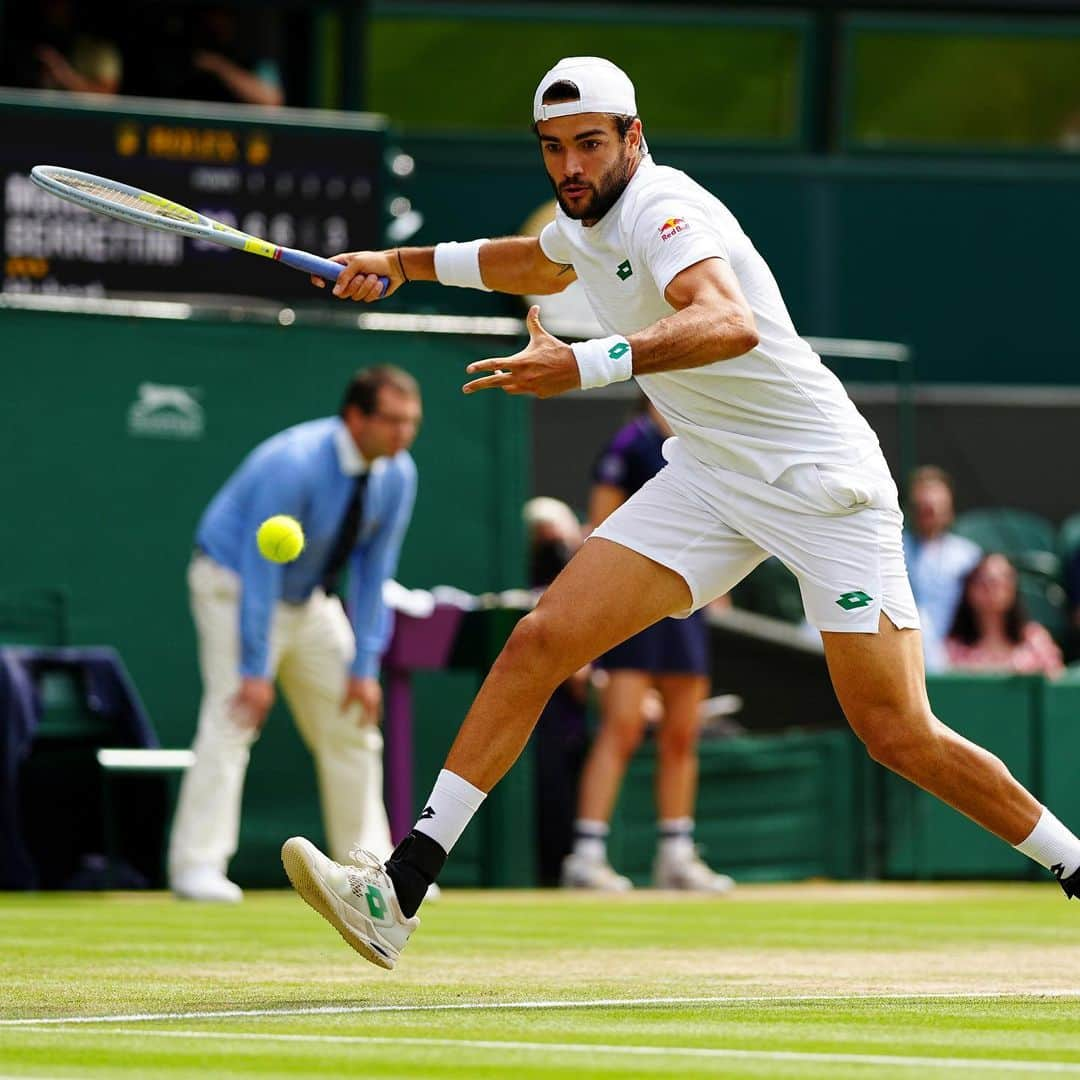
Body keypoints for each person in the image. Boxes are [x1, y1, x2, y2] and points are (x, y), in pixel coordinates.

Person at [280, 56, 1080, 970]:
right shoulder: (582, 221)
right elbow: (527, 261)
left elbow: (726, 321)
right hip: (710, 475)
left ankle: (1076, 864)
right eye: (553, 150)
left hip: (821, 482)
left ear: (633, 137)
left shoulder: (667, 210)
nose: (571, 166)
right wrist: (397, 263)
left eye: (589, 144)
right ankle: (401, 889)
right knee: (541, 640)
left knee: (897, 731)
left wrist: (583, 365)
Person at [169, 366, 421, 901]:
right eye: (392, 421)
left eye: (411, 423)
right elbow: (260, 570)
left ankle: (370, 874)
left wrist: (364, 667)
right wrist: (255, 670)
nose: (403, 435)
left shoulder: (399, 474)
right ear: (356, 417)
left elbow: (376, 571)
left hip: (307, 599)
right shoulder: (295, 462)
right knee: (233, 712)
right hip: (232, 583)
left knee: (354, 719)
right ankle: (197, 866)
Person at [561, 398, 732, 893]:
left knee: (682, 732)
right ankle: (586, 856)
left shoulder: (705, 440)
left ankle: (675, 855)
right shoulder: (628, 443)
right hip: (632, 603)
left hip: (687, 600)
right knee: (624, 726)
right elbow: (597, 529)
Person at [902, 466, 982, 671]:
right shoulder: (891, 548)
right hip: (898, 649)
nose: (928, 512)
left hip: (956, 656)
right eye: (922, 507)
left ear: (949, 509)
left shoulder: (969, 555)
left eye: (936, 506)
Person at [946, 553, 1064, 676]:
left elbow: (1055, 681)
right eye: (983, 580)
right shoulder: (955, 647)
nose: (991, 588)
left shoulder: (1034, 639)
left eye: (1002, 579)